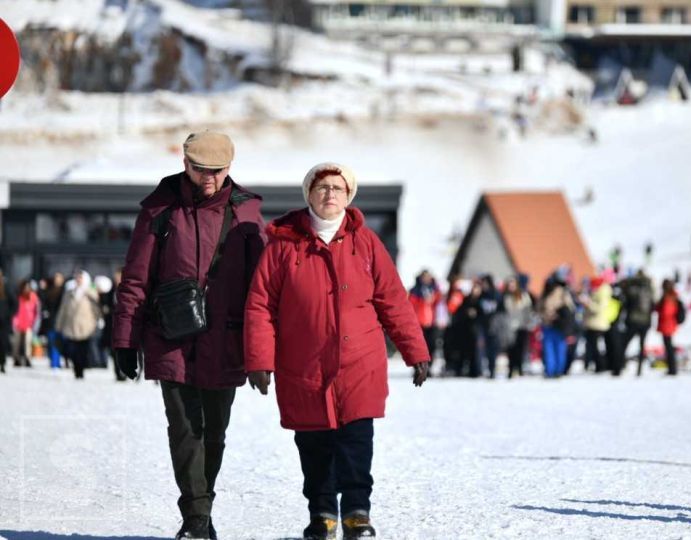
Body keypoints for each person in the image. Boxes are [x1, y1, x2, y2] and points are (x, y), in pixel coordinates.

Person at [243, 162, 429, 540]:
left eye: (337, 188)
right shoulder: (283, 245)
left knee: (357, 441)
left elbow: (393, 300)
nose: (330, 194)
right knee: (314, 445)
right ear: (309, 194)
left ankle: (357, 513)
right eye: (322, 187)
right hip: (303, 365)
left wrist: (416, 351)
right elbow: (260, 305)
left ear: (349, 196)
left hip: (359, 363)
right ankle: (323, 513)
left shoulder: (367, 243)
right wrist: (259, 360)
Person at [113, 131, 266, 539]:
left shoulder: (248, 213)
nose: (209, 178)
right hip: (171, 336)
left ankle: (203, 504)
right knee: (184, 428)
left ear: (229, 168)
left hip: (226, 339)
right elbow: (135, 278)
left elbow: (262, 288)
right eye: (201, 169)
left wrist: (262, 349)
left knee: (214, 431)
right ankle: (196, 518)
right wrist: (125, 340)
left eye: (218, 170)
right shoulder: (159, 210)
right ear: (186, 164)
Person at [56, 270, 101, 379]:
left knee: (83, 351)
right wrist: (59, 325)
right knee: (72, 350)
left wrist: (98, 321)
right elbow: (63, 309)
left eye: (80, 278)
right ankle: (76, 369)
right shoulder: (69, 292)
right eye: (77, 278)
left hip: (86, 327)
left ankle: (81, 370)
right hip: (71, 326)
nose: (78, 280)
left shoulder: (91, 293)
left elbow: (97, 309)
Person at [538, 272, 575, 378]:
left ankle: (558, 371)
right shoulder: (544, 294)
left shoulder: (563, 293)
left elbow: (570, 309)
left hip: (559, 326)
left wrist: (558, 315)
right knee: (548, 349)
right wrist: (545, 316)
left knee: (560, 348)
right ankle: (550, 371)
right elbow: (539, 309)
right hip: (547, 325)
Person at [618, 269, 654, 376]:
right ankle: (639, 369)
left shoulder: (632, 289)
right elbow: (652, 306)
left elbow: (625, 304)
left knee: (624, 343)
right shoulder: (649, 289)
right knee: (642, 346)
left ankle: (620, 366)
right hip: (646, 321)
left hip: (633, 320)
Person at [502, 275, 535, 378]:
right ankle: (511, 369)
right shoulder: (505, 297)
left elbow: (528, 311)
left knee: (520, 349)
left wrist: (528, 322)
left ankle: (519, 369)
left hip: (522, 326)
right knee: (511, 350)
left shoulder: (524, 296)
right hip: (510, 327)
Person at [408, 269, 442, 367]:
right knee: (419, 347)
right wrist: (422, 301)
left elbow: (440, 305)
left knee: (431, 346)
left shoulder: (435, 290)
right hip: (419, 322)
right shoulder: (415, 290)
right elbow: (411, 305)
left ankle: (429, 367)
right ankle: (418, 367)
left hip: (432, 322)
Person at [580, 275, 611, 373]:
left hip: (598, 324)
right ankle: (593, 365)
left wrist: (588, 303)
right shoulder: (596, 292)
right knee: (591, 346)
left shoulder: (603, 293)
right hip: (591, 323)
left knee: (595, 346)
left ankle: (600, 366)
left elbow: (599, 308)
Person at [655, 279, 682, 376]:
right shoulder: (672, 296)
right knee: (669, 347)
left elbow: (666, 312)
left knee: (669, 348)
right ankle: (672, 368)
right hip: (669, 325)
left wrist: (659, 309)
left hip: (667, 325)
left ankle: (672, 369)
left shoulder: (668, 297)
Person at [39, 272, 66, 369]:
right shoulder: (49, 290)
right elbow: (43, 302)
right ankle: (53, 361)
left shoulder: (64, 291)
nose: (57, 280)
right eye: (56, 278)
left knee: (58, 342)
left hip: (61, 320)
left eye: (59, 278)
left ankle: (56, 362)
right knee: (51, 341)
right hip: (50, 320)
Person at [12, 279, 40, 368]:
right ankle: (16, 358)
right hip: (18, 323)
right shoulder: (18, 297)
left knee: (28, 342)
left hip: (29, 323)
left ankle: (28, 358)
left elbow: (36, 311)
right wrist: (14, 321)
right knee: (16, 342)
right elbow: (14, 311)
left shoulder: (34, 297)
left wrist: (35, 322)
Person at [0, 270, 15, 373]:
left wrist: (8, 315)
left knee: (3, 344)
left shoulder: (6, 288)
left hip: (3, 322)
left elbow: (14, 303)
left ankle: (2, 363)